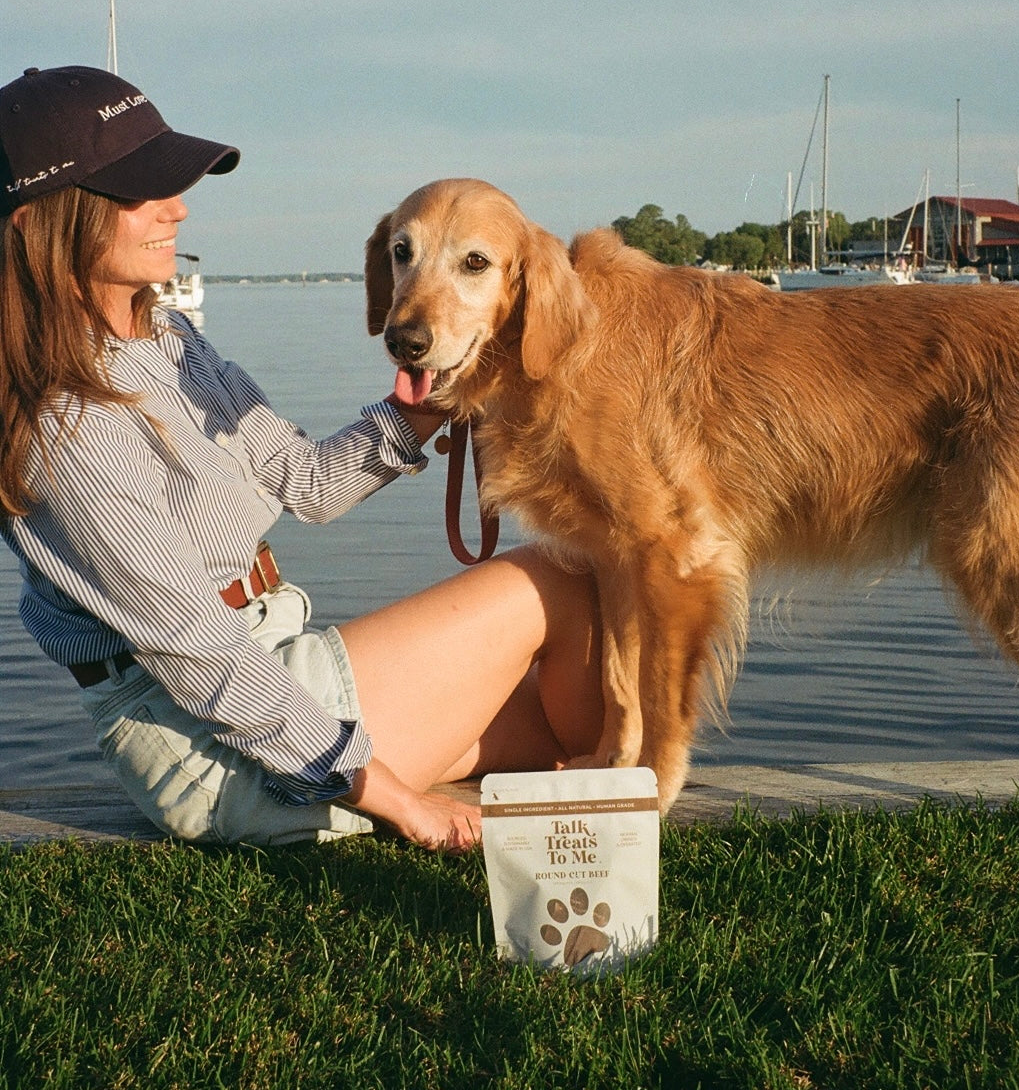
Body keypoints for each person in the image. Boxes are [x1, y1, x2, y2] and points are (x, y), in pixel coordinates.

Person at [0, 64, 604, 852]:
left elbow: (306, 483)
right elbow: (199, 652)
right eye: (140, 192)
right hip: (207, 751)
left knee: (557, 728)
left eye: (173, 184)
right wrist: (398, 800)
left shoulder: (166, 339)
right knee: (555, 577)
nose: (177, 208)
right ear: (47, 220)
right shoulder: (63, 421)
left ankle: (609, 809)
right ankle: (620, 813)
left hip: (276, 658)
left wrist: (420, 413)